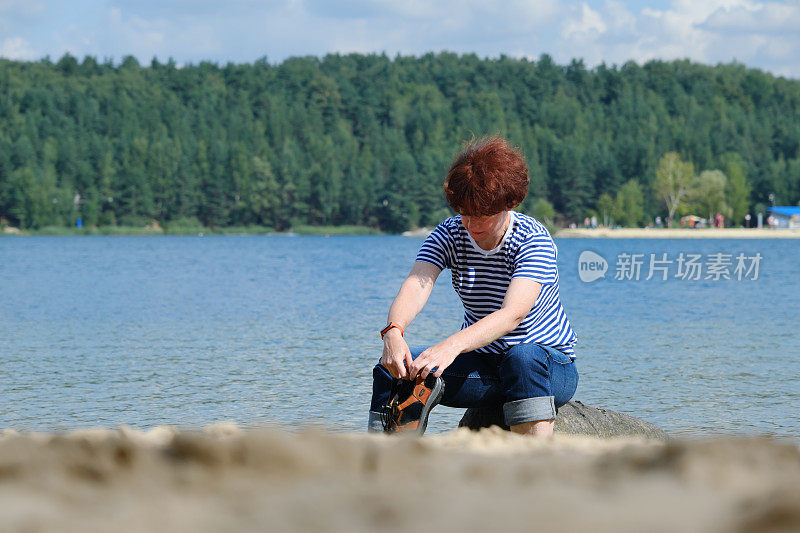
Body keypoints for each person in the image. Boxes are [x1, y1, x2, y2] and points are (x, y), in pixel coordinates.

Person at [368, 137, 578, 437]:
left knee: (523, 358)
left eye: (482, 214)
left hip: (546, 366)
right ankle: (382, 461)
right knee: (398, 367)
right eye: (464, 212)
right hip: (485, 368)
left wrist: (449, 347)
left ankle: (533, 466)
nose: (470, 223)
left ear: (509, 204)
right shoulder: (450, 233)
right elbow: (417, 284)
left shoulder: (533, 240)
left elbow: (512, 315)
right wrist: (394, 331)